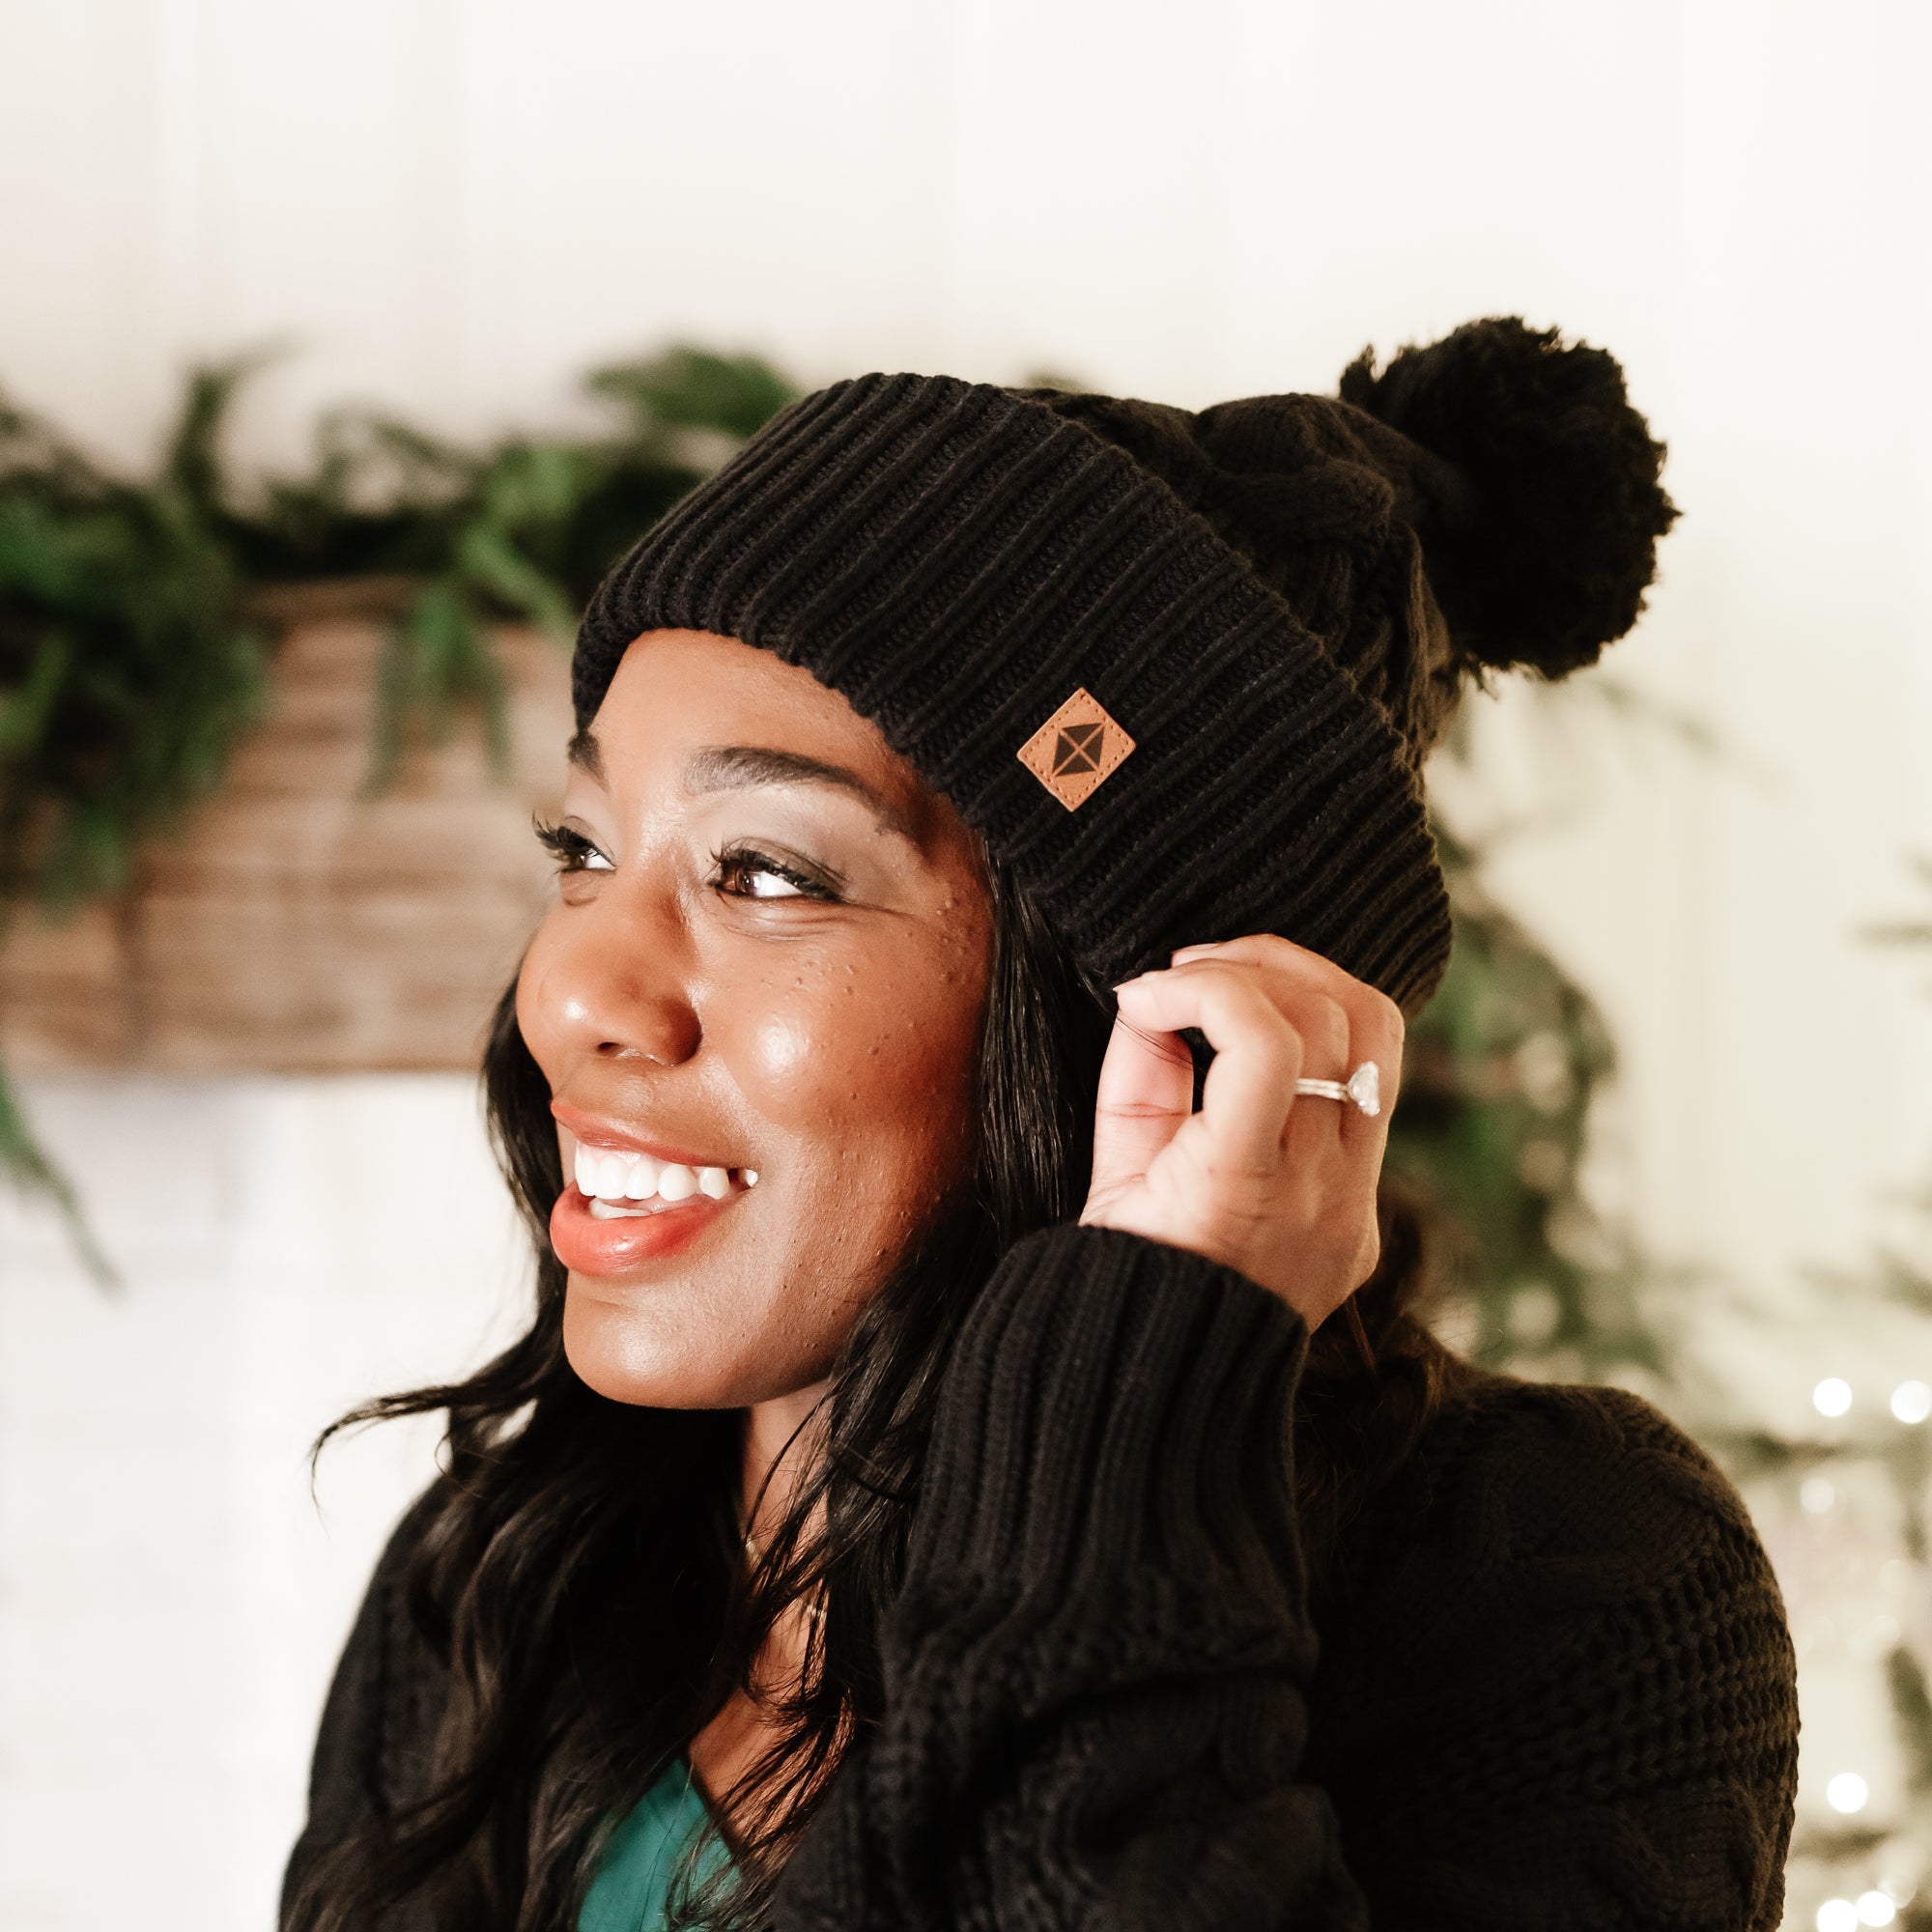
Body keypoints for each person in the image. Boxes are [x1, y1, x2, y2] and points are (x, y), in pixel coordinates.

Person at [281, 318, 1798, 1932]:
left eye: (767, 873)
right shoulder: (503, 1580)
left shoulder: (1557, 1586)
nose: (573, 989)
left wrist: (1127, 1414)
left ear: (1155, 1018)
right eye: (582, 851)